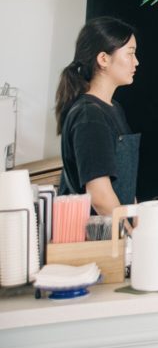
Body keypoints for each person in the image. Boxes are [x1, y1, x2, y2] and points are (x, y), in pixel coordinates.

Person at [56, 17, 140, 216]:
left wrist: (137, 223)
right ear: (103, 59)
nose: (136, 62)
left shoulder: (113, 108)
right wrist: (128, 237)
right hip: (96, 239)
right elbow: (101, 198)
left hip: (116, 232)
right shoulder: (90, 116)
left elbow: (124, 187)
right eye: (130, 54)